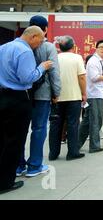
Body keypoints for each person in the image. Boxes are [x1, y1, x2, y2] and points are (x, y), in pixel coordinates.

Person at [0, 26, 52, 194]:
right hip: (17, 99)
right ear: (33, 36)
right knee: (14, 141)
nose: (40, 44)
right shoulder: (25, 51)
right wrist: (42, 67)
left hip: (2, 97)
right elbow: (27, 78)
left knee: (2, 139)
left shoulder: (3, 47)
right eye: (41, 40)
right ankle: (6, 182)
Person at [18, 15, 61, 178]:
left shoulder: (20, 45)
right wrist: (56, 93)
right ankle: (34, 165)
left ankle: (18, 164)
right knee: (39, 128)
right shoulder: (48, 47)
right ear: (45, 30)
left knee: (20, 129)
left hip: (22, 93)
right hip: (42, 94)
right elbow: (54, 72)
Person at [49, 36, 86, 161]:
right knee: (73, 124)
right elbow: (81, 77)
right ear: (73, 46)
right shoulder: (77, 58)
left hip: (56, 96)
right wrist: (84, 93)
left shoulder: (54, 58)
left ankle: (53, 153)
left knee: (55, 125)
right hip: (74, 96)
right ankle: (72, 152)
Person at [78, 40, 103, 153]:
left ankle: (75, 144)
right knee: (96, 120)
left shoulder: (101, 61)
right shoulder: (93, 61)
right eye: (101, 47)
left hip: (97, 93)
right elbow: (94, 77)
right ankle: (94, 146)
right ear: (96, 48)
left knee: (88, 120)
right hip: (93, 94)